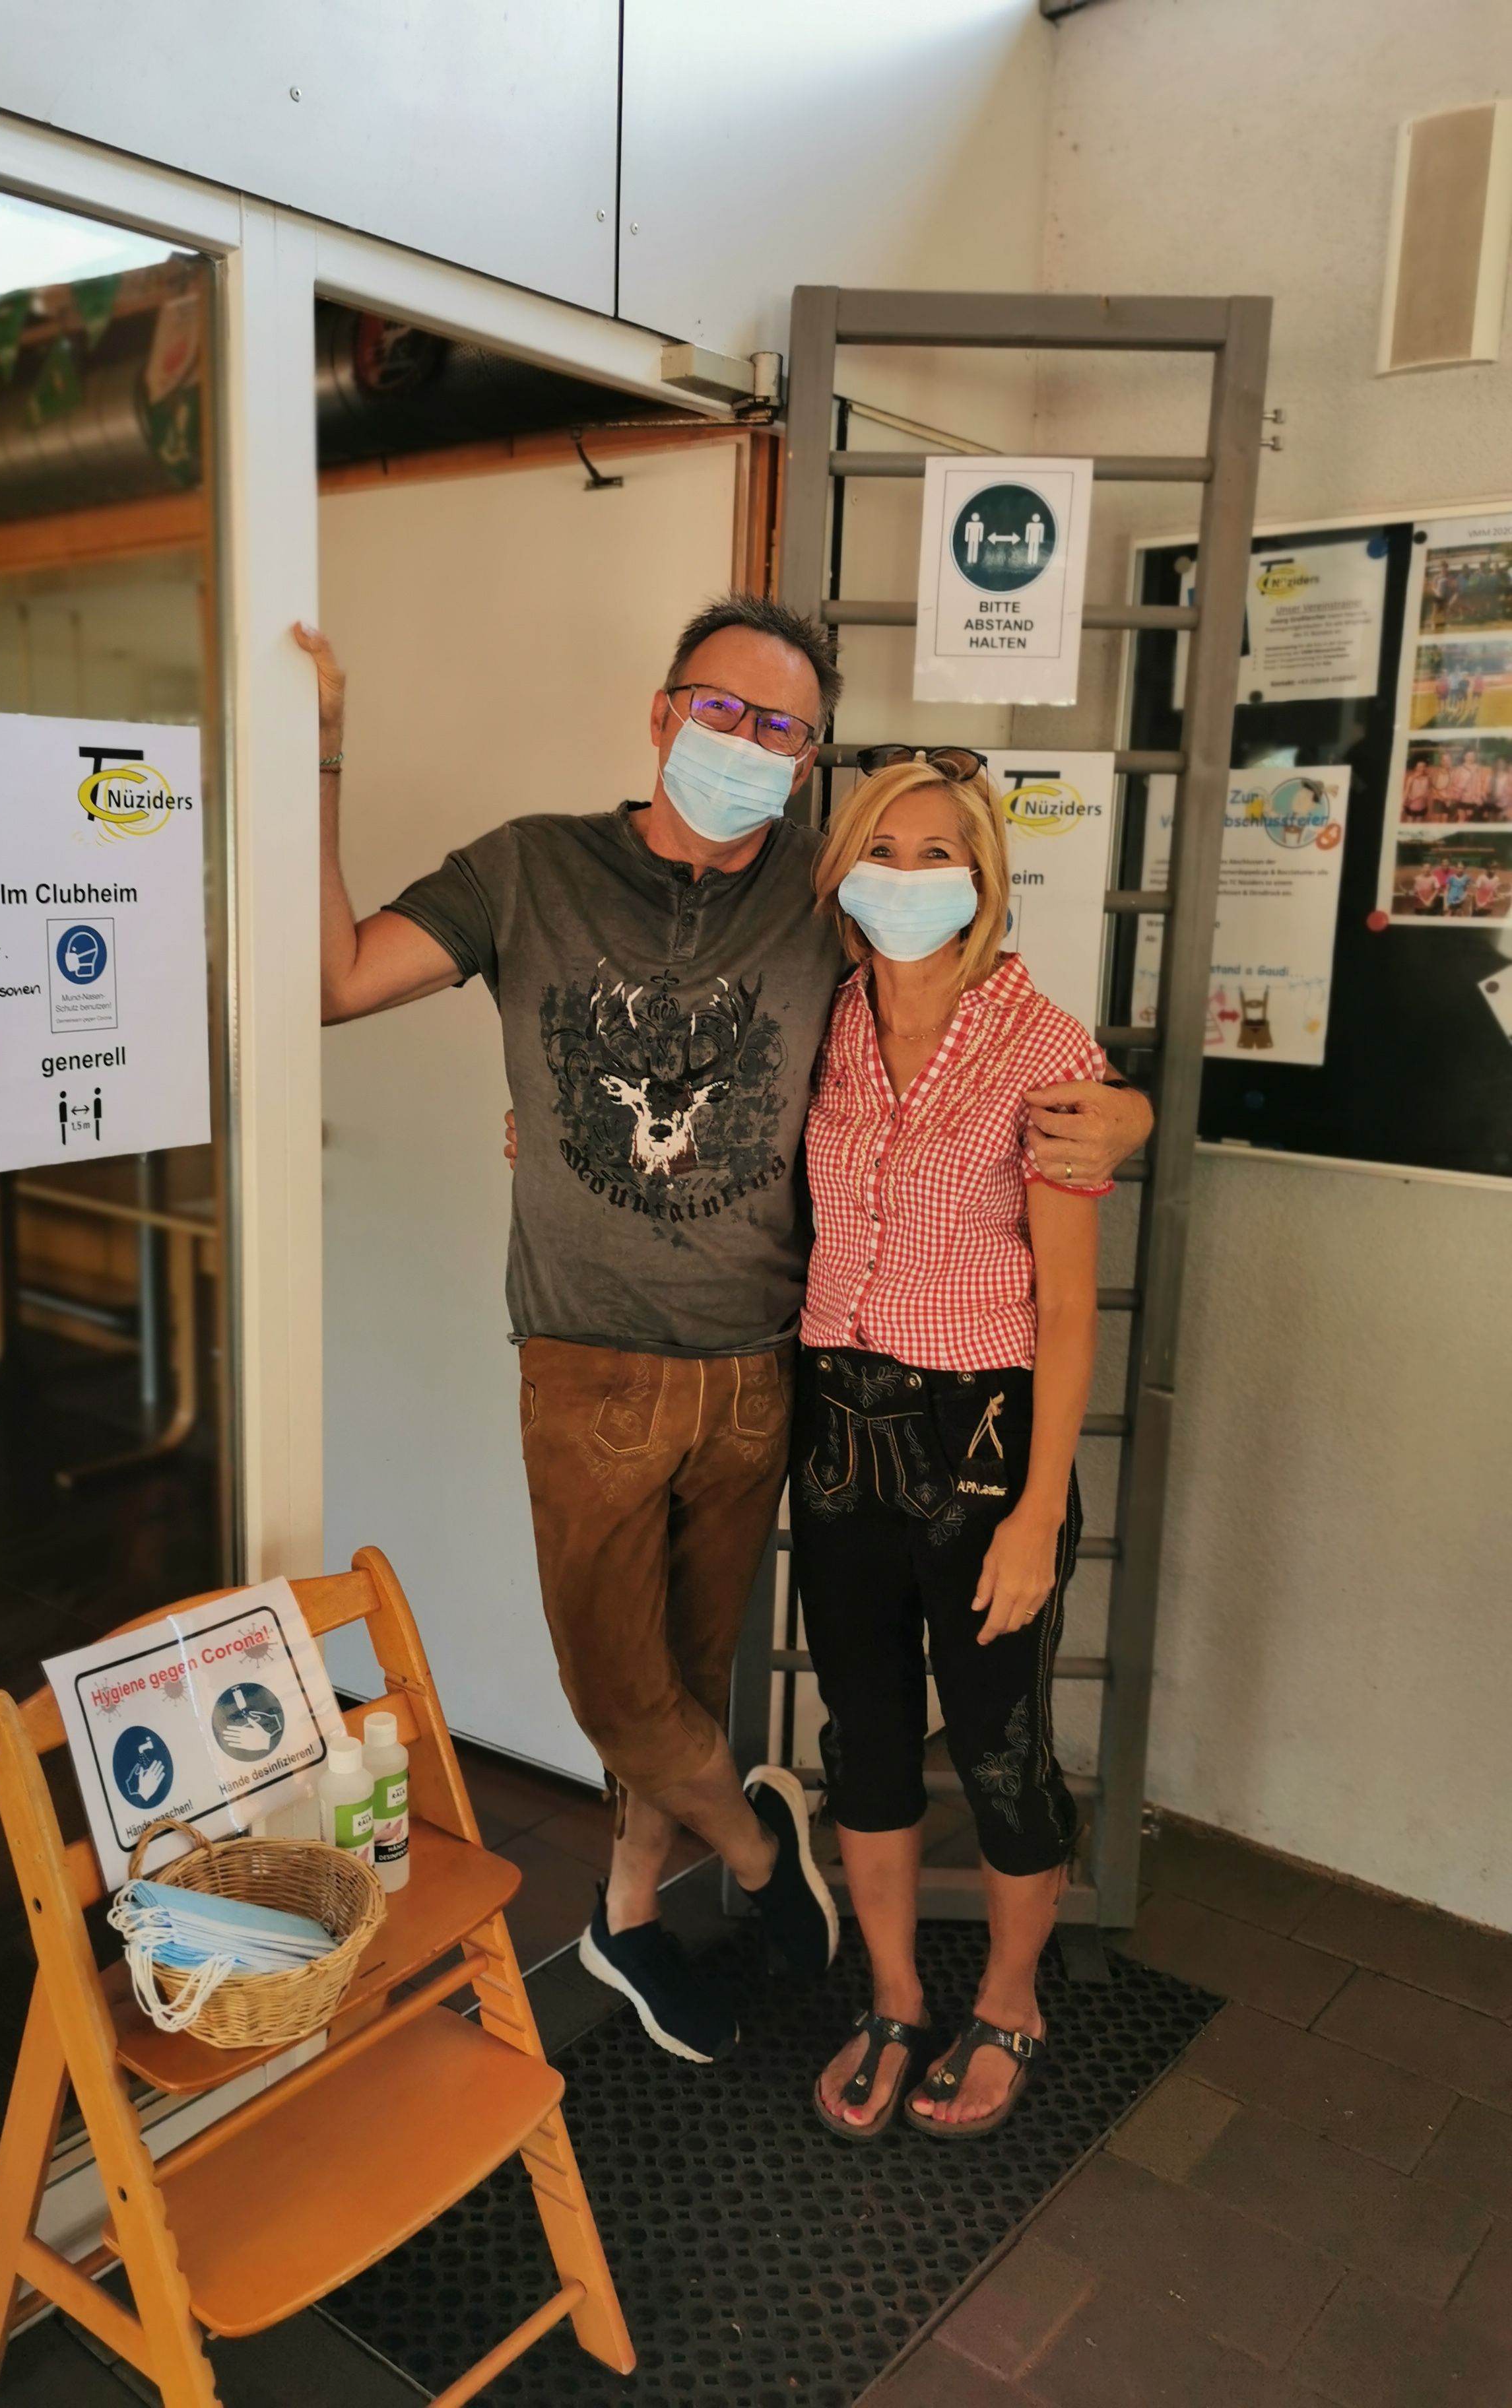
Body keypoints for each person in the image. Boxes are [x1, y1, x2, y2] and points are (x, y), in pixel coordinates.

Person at [298, 593, 1152, 2063]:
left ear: (811, 758)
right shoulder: (534, 867)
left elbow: (994, 1027)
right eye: (722, 710)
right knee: (617, 1687)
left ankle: (632, 1915)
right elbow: (339, 981)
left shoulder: (823, 901)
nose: (748, 744)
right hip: (595, 1362)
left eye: (783, 729)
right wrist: (320, 757)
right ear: (662, 711)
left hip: (771, 1373)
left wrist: (1126, 1111)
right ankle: (761, 1854)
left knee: (706, 1678)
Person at [794, 758, 1105, 2141]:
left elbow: (1070, 1306)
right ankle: (896, 1994)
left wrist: (1037, 1514)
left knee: (997, 1743)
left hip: (983, 1436)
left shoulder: (1044, 1047)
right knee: (862, 1731)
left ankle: (1012, 1999)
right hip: (836, 1426)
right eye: (883, 848)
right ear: (842, 869)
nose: (908, 877)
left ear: (984, 880)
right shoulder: (822, 1020)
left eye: (939, 854)